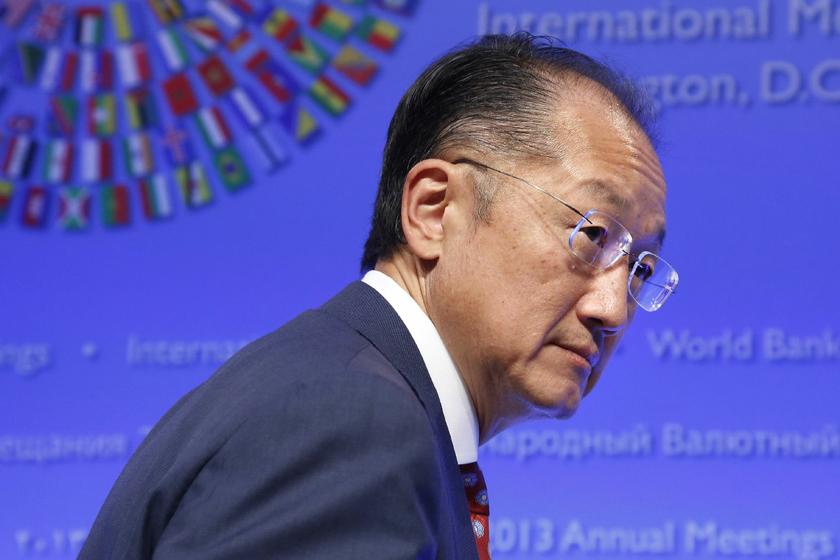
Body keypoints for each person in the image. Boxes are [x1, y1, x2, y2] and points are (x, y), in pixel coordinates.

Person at [80, 33, 679, 559]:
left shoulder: (348, 394)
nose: (613, 309)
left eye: (638, 268)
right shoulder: (350, 424)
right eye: (594, 235)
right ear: (433, 211)